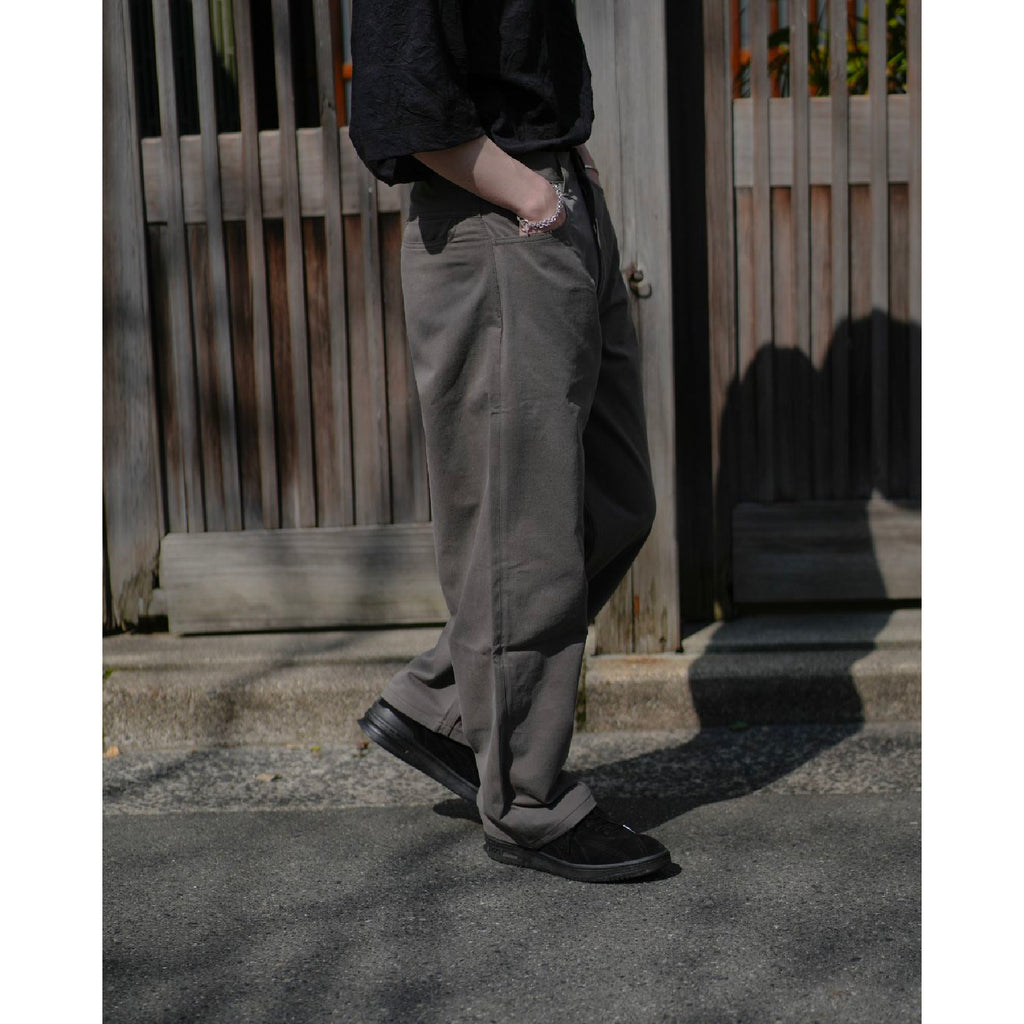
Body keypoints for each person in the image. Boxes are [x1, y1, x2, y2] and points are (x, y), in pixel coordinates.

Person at [349, 0, 670, 882]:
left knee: (615, 503)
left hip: (558, 195)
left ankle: (444, 708)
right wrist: (529, 192)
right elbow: (404, 96)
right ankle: (528, 802)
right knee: (522, 537)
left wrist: (567, 177)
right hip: (498, 217)